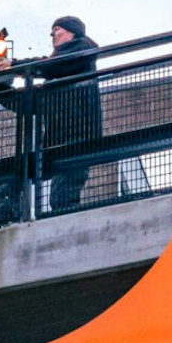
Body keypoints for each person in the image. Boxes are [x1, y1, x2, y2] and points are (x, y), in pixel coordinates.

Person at [31, 16, 102, 215]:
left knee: (62, 199)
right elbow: (30, 104)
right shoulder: (56, 74)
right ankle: (0, 225)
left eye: (58, 29)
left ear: (72, 32)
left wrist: (17, 66)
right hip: (57, 145)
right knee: (11, 177)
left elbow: (53, 65)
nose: (53, 34)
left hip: (78, 141)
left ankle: (73, 239)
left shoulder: (83, 49)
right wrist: (0, 84)